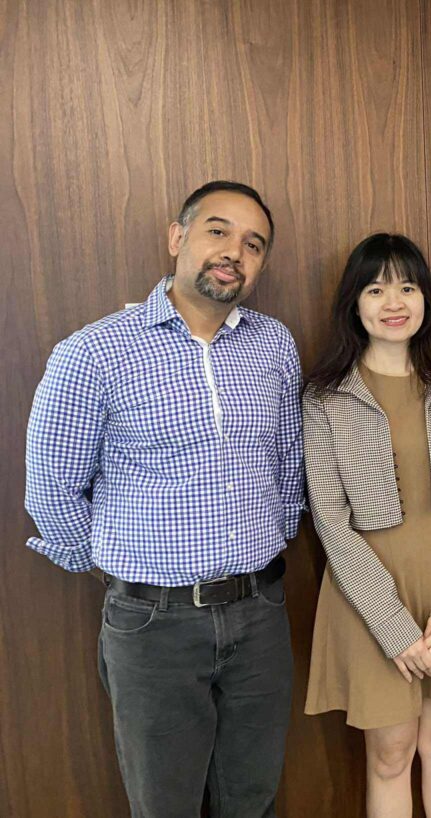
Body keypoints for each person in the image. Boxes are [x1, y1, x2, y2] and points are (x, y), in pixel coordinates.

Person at [24, 180, 305, 817]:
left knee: (253, 799)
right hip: (153, 626)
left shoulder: (274, 345)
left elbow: (288, 460)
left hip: (260, 611)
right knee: (165, 804)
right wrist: (120, 567)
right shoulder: (95, 351)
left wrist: (273, 535)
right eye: (218, 231)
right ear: (178, 237)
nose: (234, 252)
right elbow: (51, 486)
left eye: (254, 244)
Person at [302, 233, 431, 818]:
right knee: (391, 756)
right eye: (376, 290)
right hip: (369, 597)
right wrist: (395, 629)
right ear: (354, 303)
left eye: (407, 287)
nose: (394, 303)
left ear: (425, 299)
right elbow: (331, 521)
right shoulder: (325, 397)